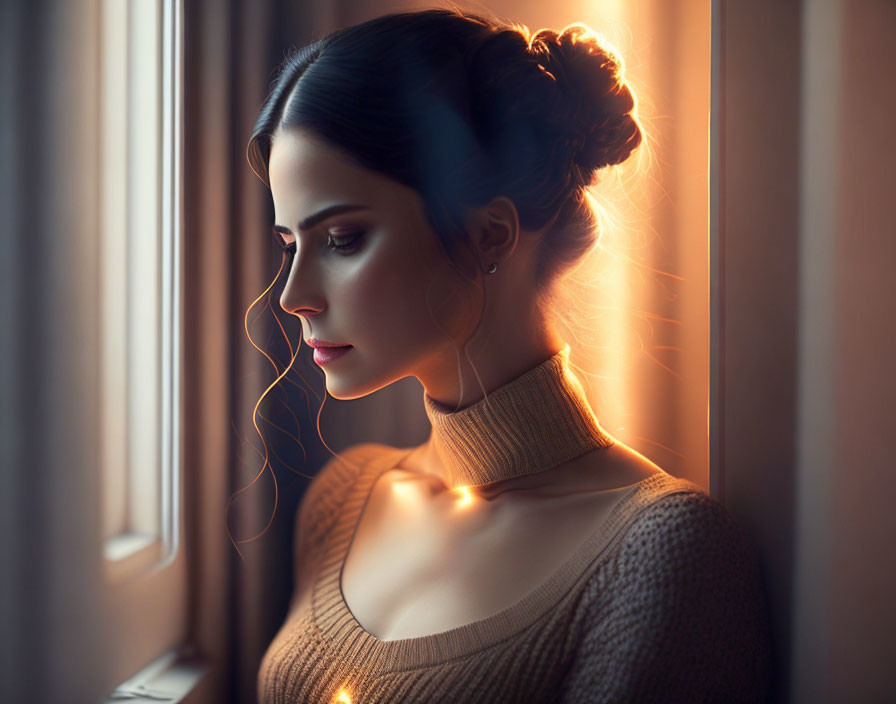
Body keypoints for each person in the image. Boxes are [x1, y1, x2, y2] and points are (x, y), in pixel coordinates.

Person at [249, 8, 772, 703]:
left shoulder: (663, 552)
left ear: (492, 235)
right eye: (291, 245)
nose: (293, 296)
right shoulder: (343, 501)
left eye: (341, 238)